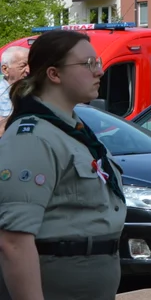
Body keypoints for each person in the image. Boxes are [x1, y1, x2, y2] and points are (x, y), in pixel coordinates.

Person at [0, 30, 126, 300]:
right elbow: (13, 242)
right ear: (54, 75)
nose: (99, 72)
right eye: (88, 64)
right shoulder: (32, 136)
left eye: (98, 63)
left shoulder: (73, 130)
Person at [0, 45, 30, 135]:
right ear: (5, 70)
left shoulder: (36, 91)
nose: (28, 70)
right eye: (23, 66)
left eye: (31, 65)